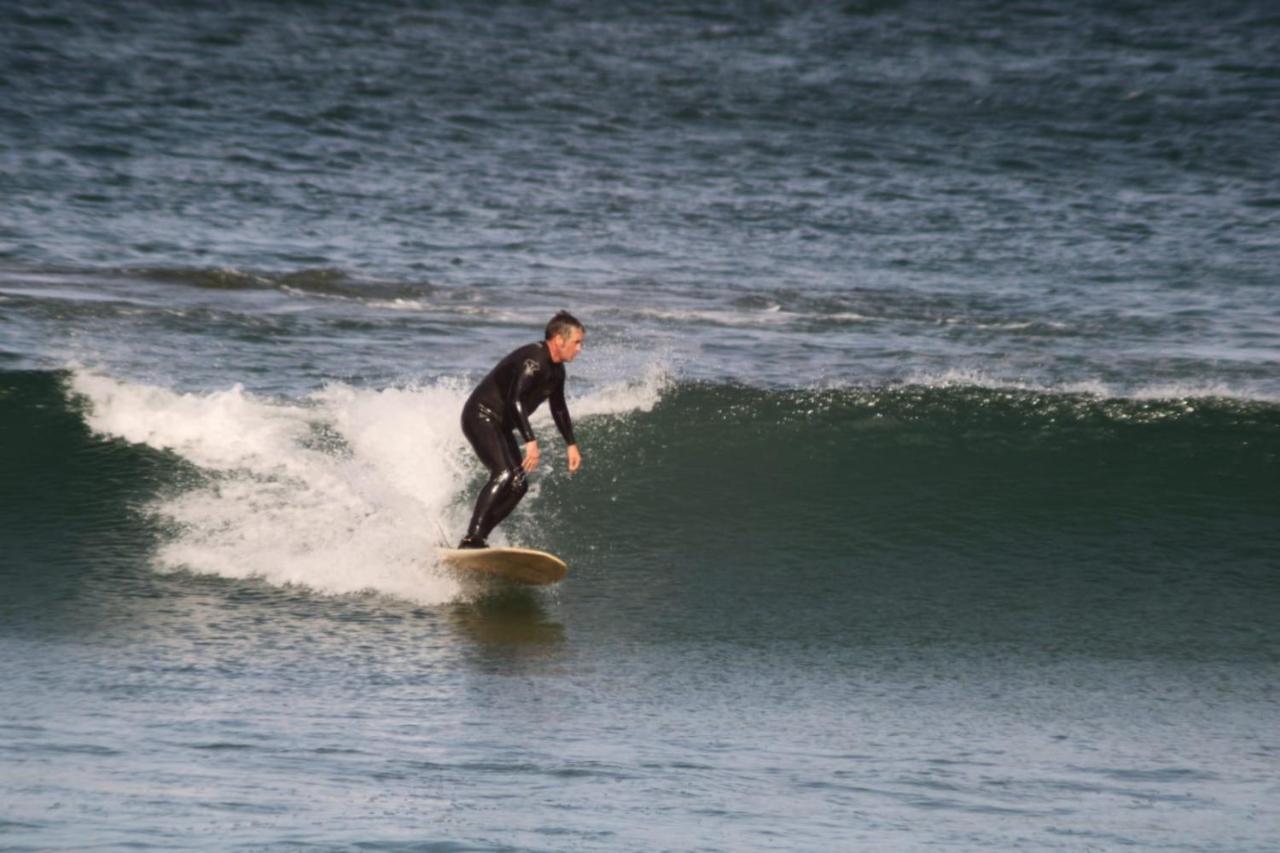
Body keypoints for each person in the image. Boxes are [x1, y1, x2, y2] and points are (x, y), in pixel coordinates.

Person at [457, 311, 584, 548]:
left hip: (500, 425)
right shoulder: (533, 361)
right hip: (480, 415)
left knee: (518, 485)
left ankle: (478, 537)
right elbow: (515, 400)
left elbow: (559, 408)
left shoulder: (557, 371)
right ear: (559, 339)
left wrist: (571, 444)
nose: (579, 349)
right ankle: (472, 537)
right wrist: (530, 441)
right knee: (504, 474)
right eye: (577, 342)